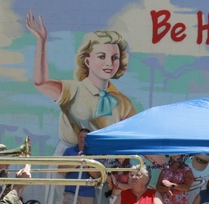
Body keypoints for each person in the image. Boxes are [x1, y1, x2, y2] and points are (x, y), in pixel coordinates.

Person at [26, 11, 136, 154]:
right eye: (102, 56)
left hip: (102, 165)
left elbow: (136, 134)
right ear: (87, 60)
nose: (109, 63)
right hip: (68, 164)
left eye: (115, 57)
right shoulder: (73, 89)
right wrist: (41, 40)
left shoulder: (122, 102)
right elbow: (41, 83)